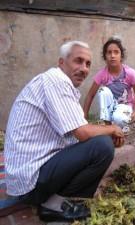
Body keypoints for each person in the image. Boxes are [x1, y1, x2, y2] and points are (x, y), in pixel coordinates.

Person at [3, 41, 125, 222]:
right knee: (102, 146)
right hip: (30, 181)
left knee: (98, 141)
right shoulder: (55, 81)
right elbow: (82, 133)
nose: (84, 68)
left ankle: (58, 199)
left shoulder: (59, 84)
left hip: (32, 172)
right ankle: (52, 206)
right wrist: (112, 129)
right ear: (61, 63)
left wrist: (103, 132)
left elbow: (77, 133)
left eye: (88, 64)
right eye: (78, 61)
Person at [83, 36, 135, 130]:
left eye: (116, 52)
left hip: (125, 107)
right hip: (110, 107)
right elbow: (90, 95)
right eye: (109, 52)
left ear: (121, 55)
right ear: (105, 56)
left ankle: (115, 125)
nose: (112, 55)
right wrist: (84, 116)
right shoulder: (102, 74)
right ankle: (105, 122)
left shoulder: (130, 73)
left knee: (119, 119)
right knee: (102, 90)